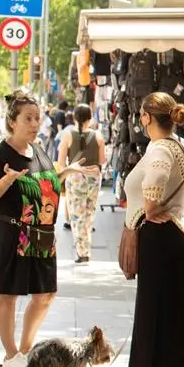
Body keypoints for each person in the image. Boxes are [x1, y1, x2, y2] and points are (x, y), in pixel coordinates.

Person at [0, 92, 85, 367]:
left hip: (40, 234)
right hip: (11, 233)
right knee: (8, 294)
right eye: (28, 118)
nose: (34, 123)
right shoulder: (0, 155)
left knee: (45, 294)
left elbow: (45, 184)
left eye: (37, 118)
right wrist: (6, 179)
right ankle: (11, 353)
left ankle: (25, 350)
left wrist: (66, 173)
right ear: (12, 122)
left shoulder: (37, 150)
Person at [124, 92, 184, 367]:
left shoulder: (160, 149)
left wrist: (150, 207)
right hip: (171, 236)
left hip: (165, 236)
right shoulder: (177, 143)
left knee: (166, 311)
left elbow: (153, 193)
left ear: (146, 117)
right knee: (159, 309)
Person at [57, 104, 105, 264]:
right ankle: (86, 248)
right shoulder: (98, 136)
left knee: (76, 215)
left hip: (76, 176)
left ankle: (81, 252)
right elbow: (102, 160)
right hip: (93, 177)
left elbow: (61, 161)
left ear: (75, 118)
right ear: (90, 118)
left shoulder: (67, 135)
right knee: (89, 214)